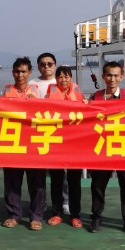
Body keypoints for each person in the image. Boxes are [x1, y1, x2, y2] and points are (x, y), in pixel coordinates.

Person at [87, 61, 125, 234]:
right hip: (102, 148)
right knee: (98, 185)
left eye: (116, 75)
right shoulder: (95, 97)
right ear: (103, 77)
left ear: (122, 76)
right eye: (109, 75)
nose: (112, 79)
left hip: (123, 148)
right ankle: (96, 218)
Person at [2, 57, 46, 230]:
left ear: (29, 73)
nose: (20, 75)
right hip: (12, 143)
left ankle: (36, 216)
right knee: (12, 182)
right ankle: (14, 215)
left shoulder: (38, 92)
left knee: (37, 183)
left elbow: (50, 111)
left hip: (34, 143)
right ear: (13, 72)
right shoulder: (6, 91)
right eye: (17, 71)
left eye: (23, 71)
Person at [45, 65, 85, 228]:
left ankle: (75, 215)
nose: (63, 80)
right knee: (56, 180)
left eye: (66, 76)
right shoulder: (49, 95)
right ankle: (57, 213)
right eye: (60, 77)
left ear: (71, 78)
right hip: (56, 142)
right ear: (56, 79)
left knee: (74, 180)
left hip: (75, 144)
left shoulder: (79, 95)